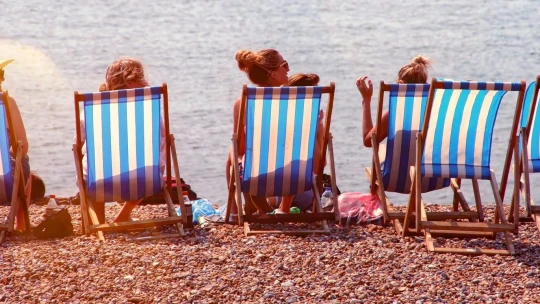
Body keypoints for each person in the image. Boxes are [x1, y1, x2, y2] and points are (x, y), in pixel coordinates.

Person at [76, 57, 165, 223]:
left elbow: (78, 142)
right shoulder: (147, 108)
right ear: (131, 81)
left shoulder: (94, 108)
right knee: (153, 158)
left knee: (93, 161)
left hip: (98, 182)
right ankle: (124, 214)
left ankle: (98, 221)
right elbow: (162, 139)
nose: (146, 81)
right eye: (143, 77)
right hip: (145, 180)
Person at [226, 49, 290, 215]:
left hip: (256, 175)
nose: (288, 69)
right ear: (272, 74)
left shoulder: (242, 103)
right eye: (285, 65)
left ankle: (235, 209)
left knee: (232, 151)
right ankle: (279, 208)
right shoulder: (296, 100)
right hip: (294, 174)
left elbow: (240, 149)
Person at [357, 55, 432, 147]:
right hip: (428, 161)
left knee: (382, 151)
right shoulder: (433, 111)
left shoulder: (395, 114)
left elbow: (368, 141)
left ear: (400, 85)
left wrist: (366, 99)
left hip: (400, 161)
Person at [0, 59, 38, 231]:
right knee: (22, 161)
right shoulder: (7, 103)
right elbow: (22, 147)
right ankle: (20, 224)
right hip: (4, 184)